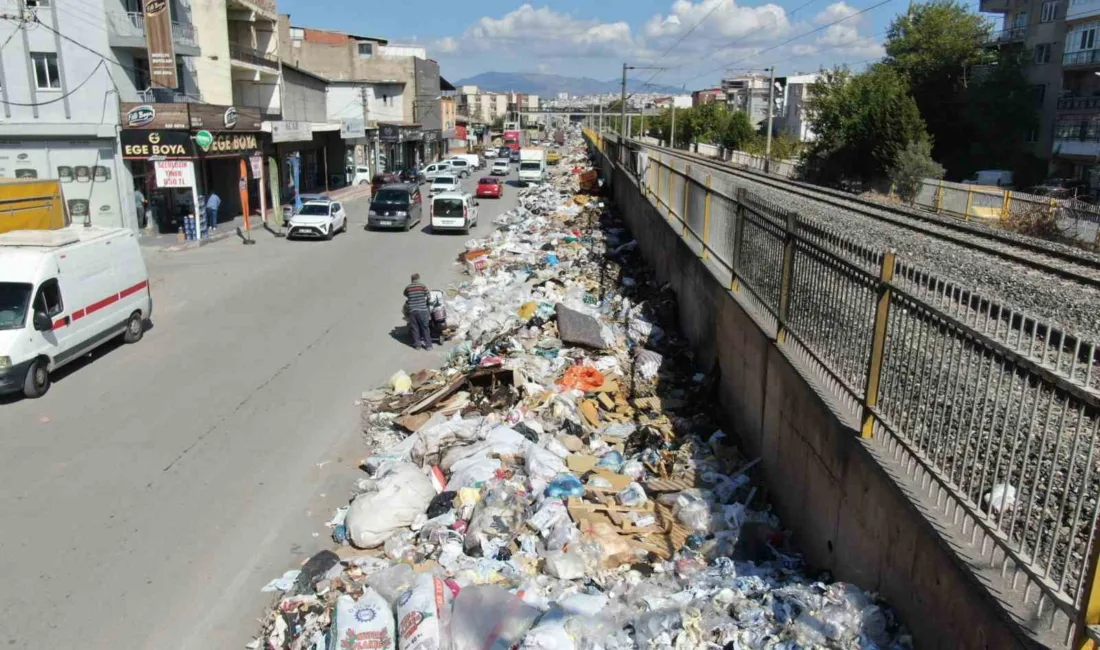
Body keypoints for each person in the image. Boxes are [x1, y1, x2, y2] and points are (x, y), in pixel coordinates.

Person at [404, 273, 432, 350]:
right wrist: (427, 301)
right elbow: (429, 296)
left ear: (412, 280)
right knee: (425, 327)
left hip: (412, 310)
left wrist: (412, 297)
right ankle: (428, 346)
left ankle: (417, 345)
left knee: (415, 328)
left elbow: (405, 294)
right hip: (422, 310)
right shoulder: (422, 286)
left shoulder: (408, 287)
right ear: (418, 279)